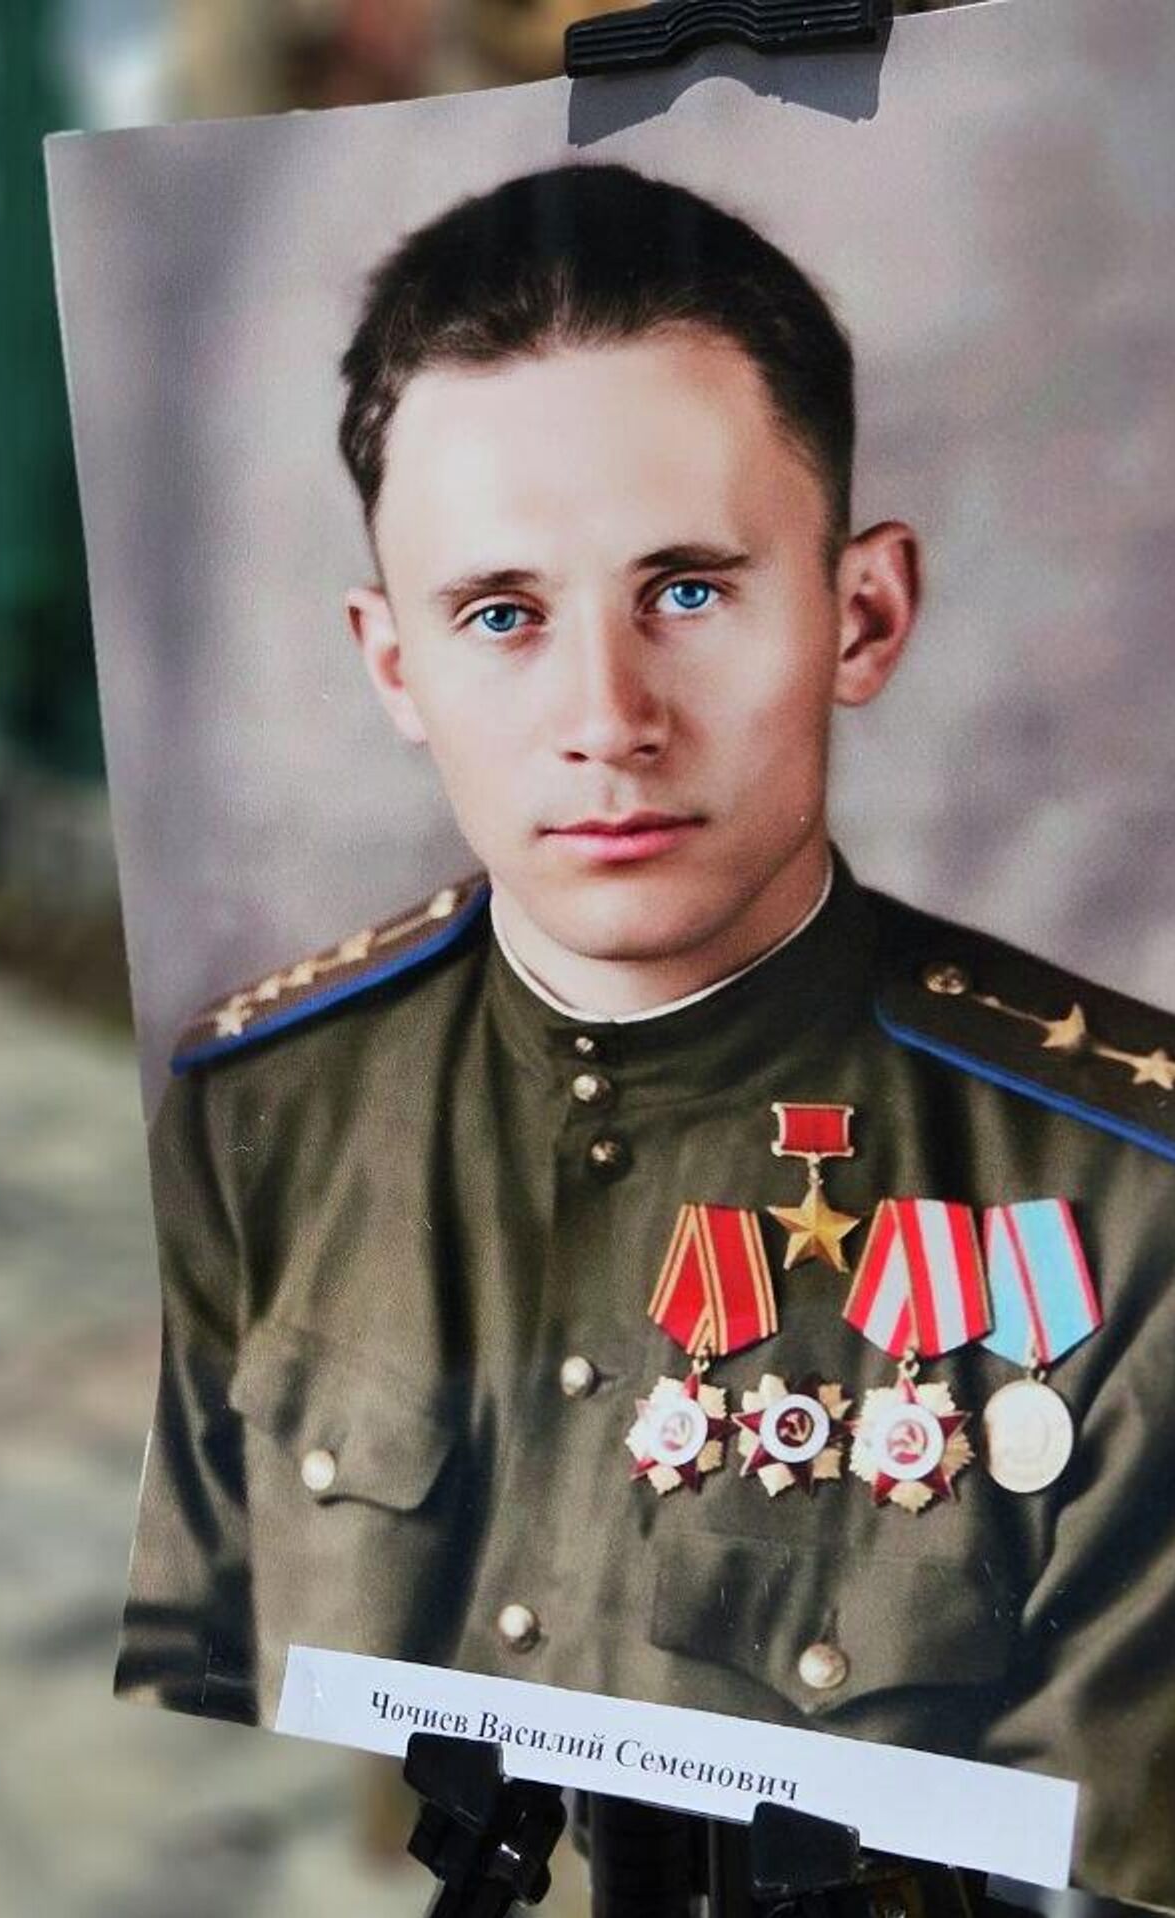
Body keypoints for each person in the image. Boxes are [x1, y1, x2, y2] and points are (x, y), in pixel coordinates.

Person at [111, 163, 1175, 1912]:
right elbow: (182, 1764)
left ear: (861, 613)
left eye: (686, 591)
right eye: (503, 614)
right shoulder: (260, 1122)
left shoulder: (1122, 1196)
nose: (606, 718)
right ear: (394, 664)